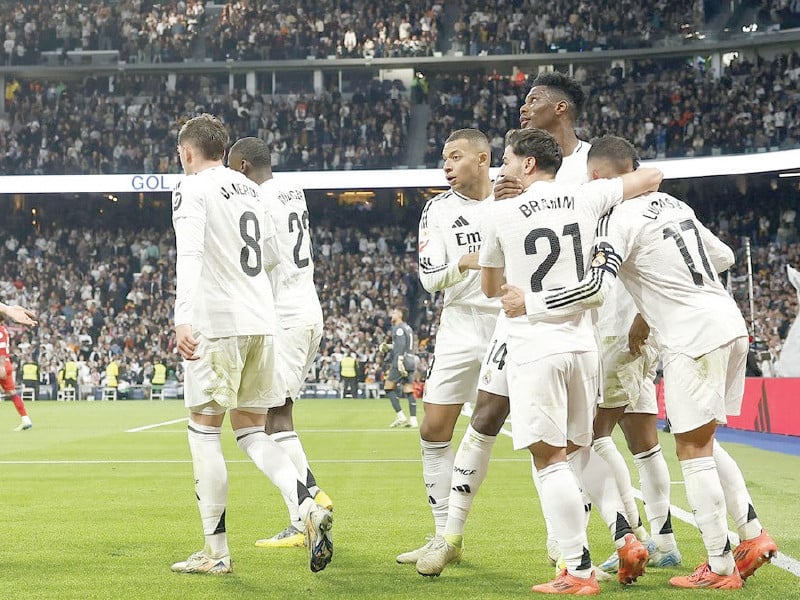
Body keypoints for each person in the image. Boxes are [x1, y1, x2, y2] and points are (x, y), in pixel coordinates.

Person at [501, 134, 777, 590]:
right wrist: (654, 303)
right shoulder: (673, 205)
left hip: (691, 337)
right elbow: (723, 256)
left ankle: (720, 566)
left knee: (691, 452)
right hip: (729, 323)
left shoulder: (616, 222)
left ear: (597, 178)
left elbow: (596, 288)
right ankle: (751, 534)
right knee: (704, 441)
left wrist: (530, 303)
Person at [480, 128, 662, 594]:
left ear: (526, 165)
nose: (501, 168)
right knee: (582, 449)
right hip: (585, 345)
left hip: (535, 346)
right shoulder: (586, 197)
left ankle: (577, 571)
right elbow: (652, 176)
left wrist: (518, 283)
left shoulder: (499, 211)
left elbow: (488, 288)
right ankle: (625, 533)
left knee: (549, 458)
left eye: (506, 159)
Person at [170, 116, 332, 575]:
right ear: (225, 151)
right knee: (252, 431)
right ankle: (305, 506)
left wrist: (184, 316)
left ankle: (215, 552)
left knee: (203, 432)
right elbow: (272, 255)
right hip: (263, 322)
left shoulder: (191, 188)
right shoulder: (250, 191)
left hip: (217, 325)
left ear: (187, 152)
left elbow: (190, 253)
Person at [397, 128, 503, 567]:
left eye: (455, 157)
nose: (446, 166)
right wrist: (463, 260)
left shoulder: (514, 197)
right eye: (444, 158)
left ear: (483, 159)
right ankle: (444, 536)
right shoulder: (437, 210)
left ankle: (567, 546)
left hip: (508, 322)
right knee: (433, 429)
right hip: (459, 325)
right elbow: (427, 277)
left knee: (541, 435)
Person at [226, 136, 332, 551]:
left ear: (245, 167)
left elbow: (266, 255)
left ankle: (301, 509)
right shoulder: (293, 190)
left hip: (284, 316)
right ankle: (312, 497)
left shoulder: (257, 200)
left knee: (265, 420)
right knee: (279, 413)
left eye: (235, 169)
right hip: (309, 309)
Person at [380, 307, 418, 428]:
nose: (393, 314)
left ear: (400, 315)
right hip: (411, 359)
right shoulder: (408, 328)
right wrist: (389, 347)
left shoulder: (399, 328)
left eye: (395, 312)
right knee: (408, 390)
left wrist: (400, 360)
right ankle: (413, 420)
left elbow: (401, 346)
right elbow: (402, 345)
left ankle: (401, 416)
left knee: (388, 387)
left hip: (402, 360)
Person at [0, 313, 34, 430]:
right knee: (13, 394)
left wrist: (1, 366)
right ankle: (25, 419)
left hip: (2, 365)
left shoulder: (0, 331)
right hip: (6, 364)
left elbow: (2, 349)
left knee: (12, 393)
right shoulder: (3, 330)